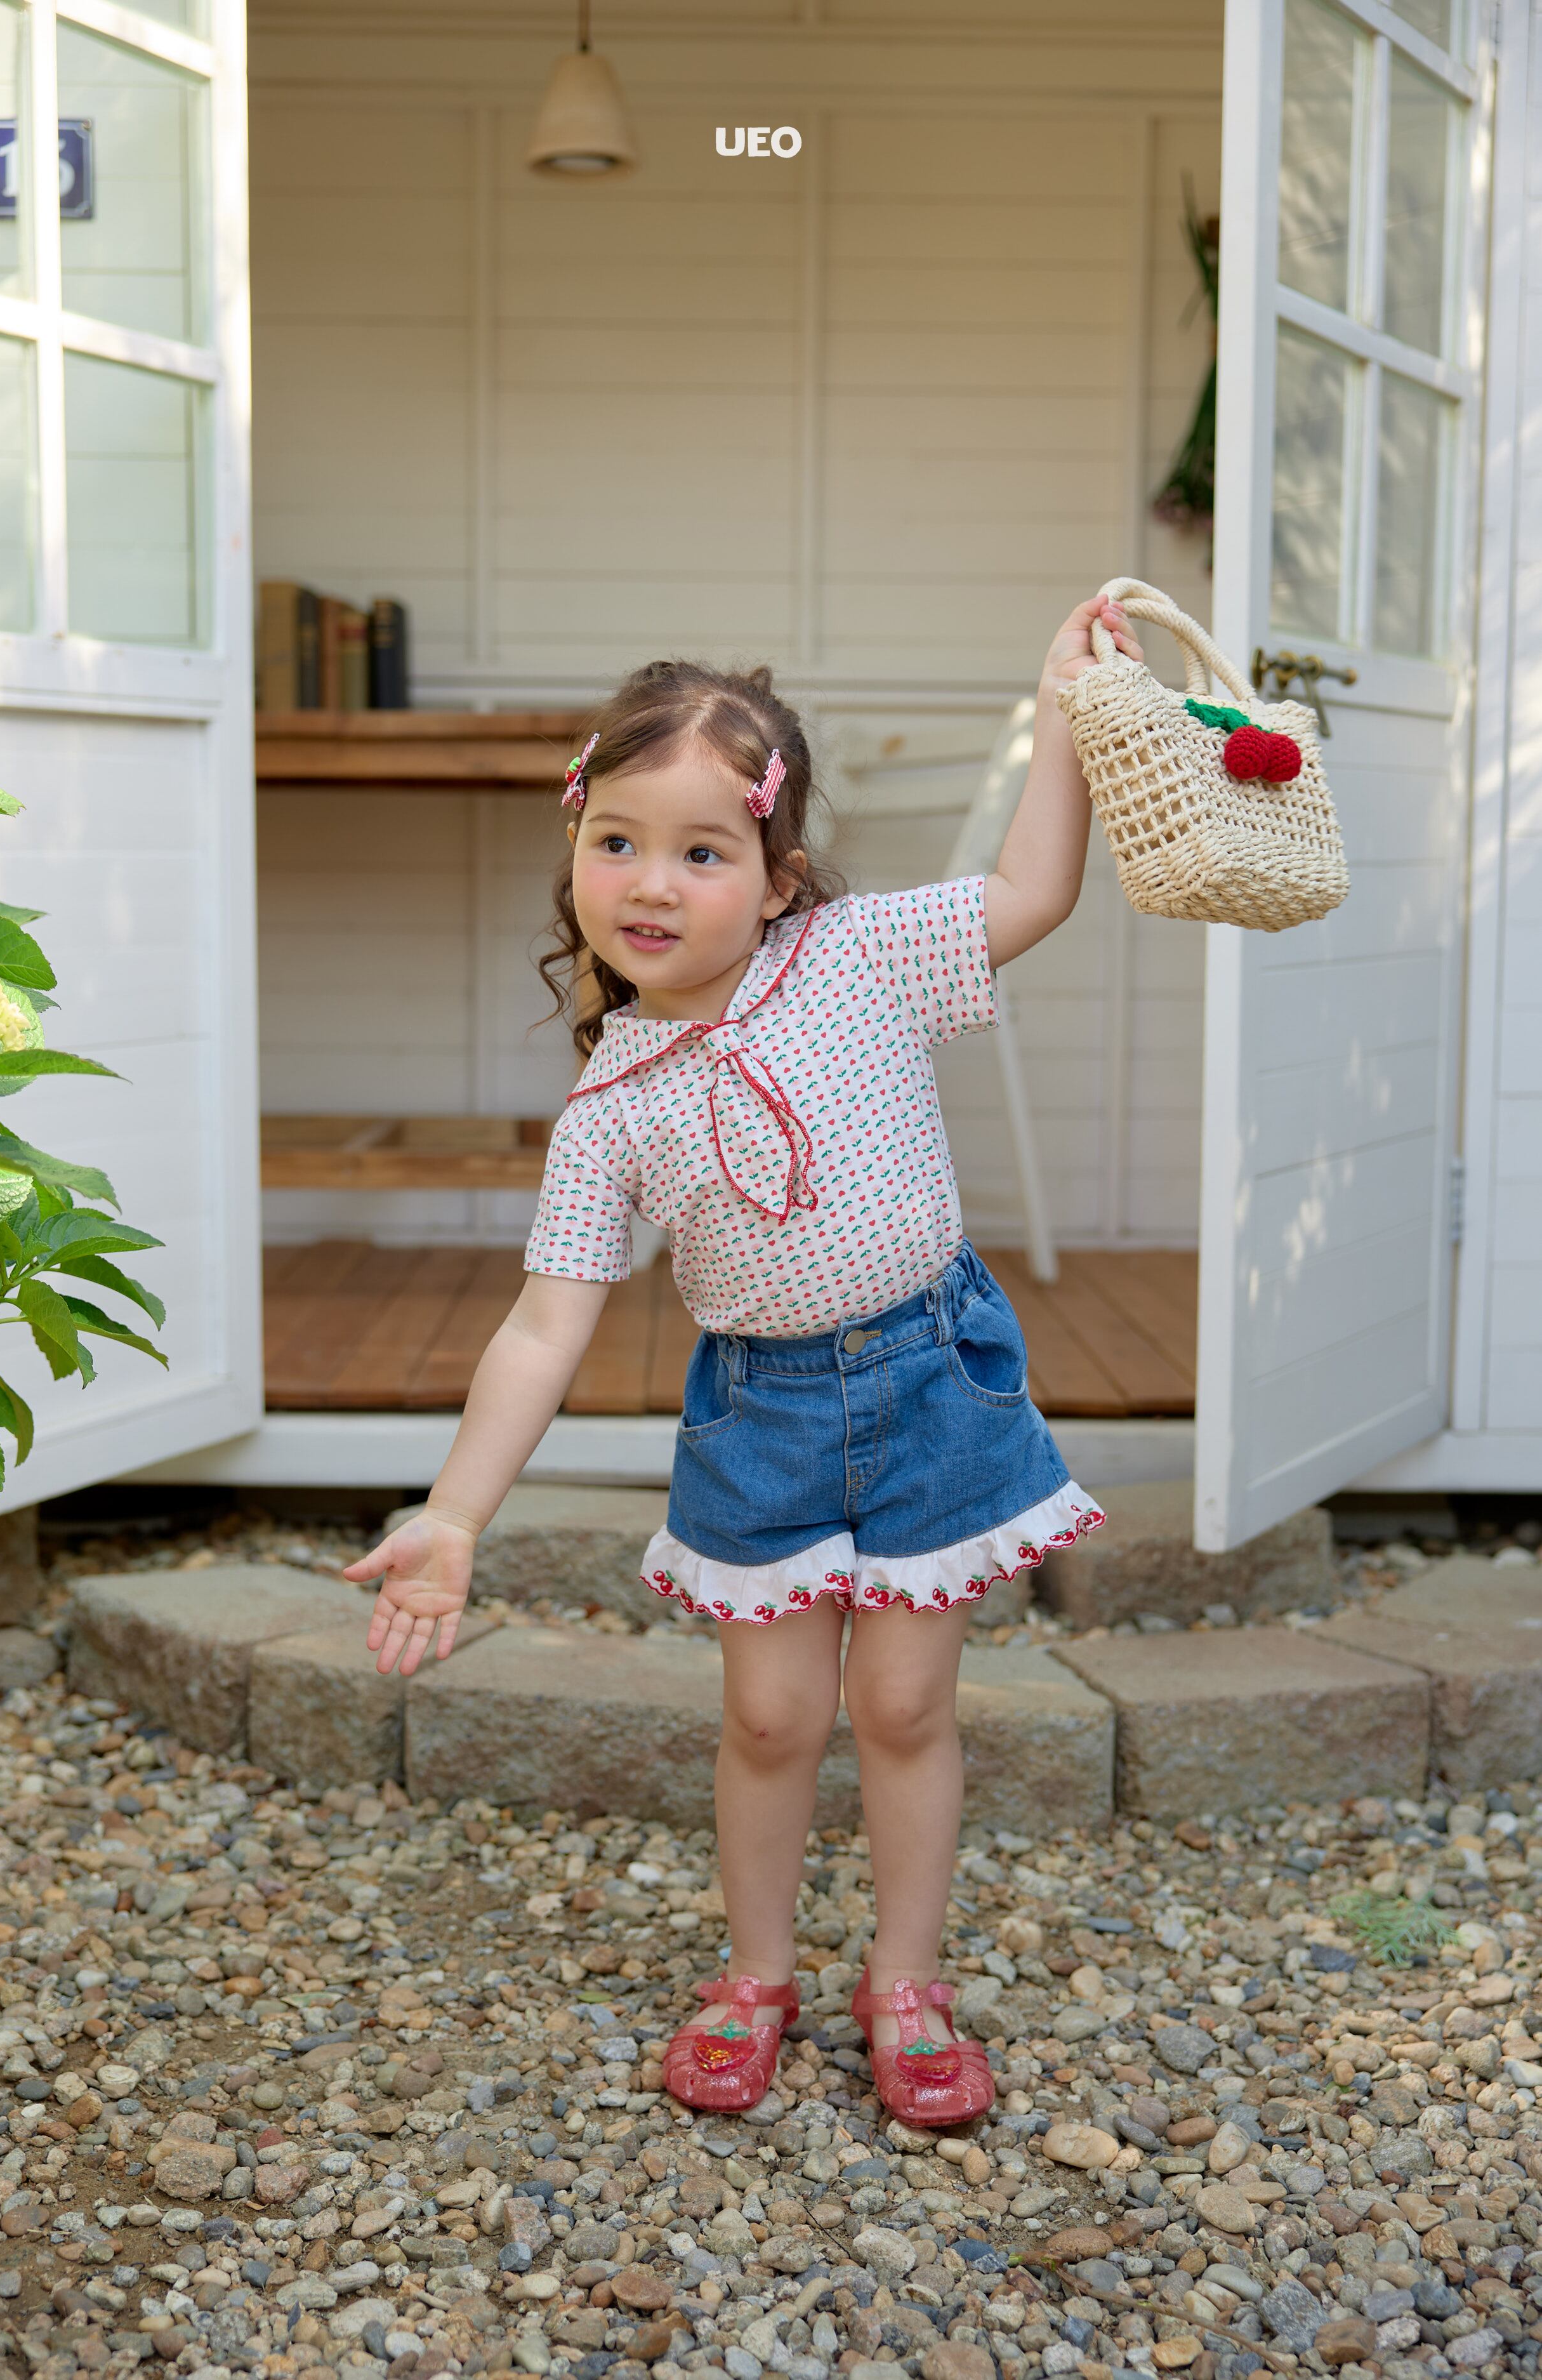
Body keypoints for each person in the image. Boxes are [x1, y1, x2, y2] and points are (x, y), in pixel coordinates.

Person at [346, 592, 1143, 2125]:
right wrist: (452, 1514)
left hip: (930, 1379)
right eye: (618, 841)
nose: (652, 883)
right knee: (771, 1720)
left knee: (902, 1709)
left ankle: (903, 1980)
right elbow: (543, 1324)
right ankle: (757, 1973)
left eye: (703, 852)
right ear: (575, 849)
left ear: (777, 878)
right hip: (762, 1421)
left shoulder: (858, 957)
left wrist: (1061, 708)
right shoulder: (611, 1103)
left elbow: (1033, 890)